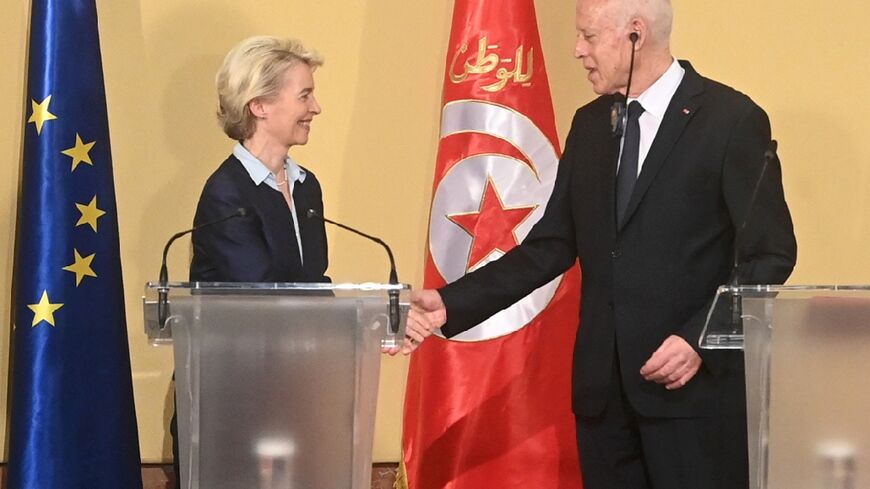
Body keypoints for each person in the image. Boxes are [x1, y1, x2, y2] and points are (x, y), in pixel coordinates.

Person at [409, 1, 797, 488]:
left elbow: (770, 253)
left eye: (589, 37)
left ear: (635, 34)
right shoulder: (590, 125)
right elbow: (550, 246)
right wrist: (450, 302)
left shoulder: (730, 120)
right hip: (604, 403)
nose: (578, 51)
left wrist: (701, 338)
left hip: (692, 399)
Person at [171, 35, 426, 484]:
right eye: (305, 94)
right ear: (260, 105)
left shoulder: (306, 186)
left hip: (295, 400)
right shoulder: (226, 195)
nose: (317, 107)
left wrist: (381, 328)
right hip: (234, 404)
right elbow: (268, 302)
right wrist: (362, 331)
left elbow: (312, 286)